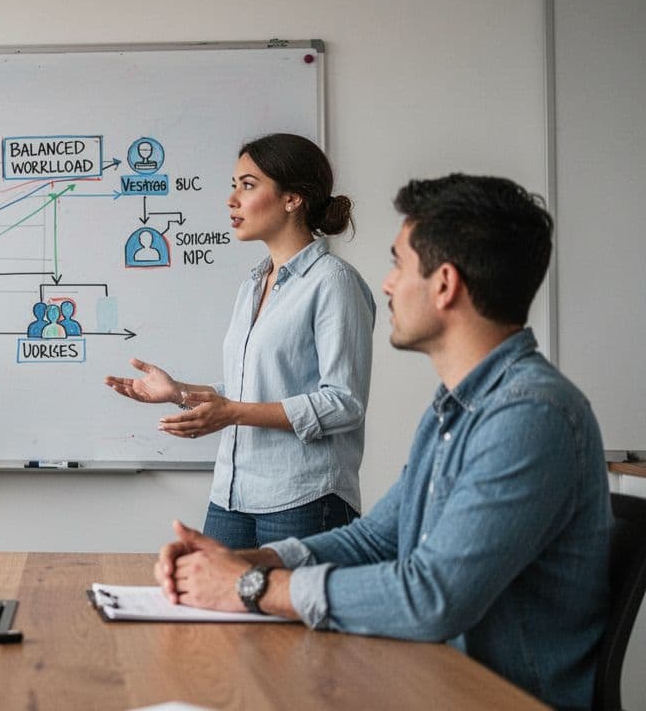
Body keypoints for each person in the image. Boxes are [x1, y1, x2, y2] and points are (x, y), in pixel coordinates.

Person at [154, 174, 610, 709]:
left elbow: (430, 596)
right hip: (428, 681)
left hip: (488, 698)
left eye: (398, 263)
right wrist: (252, 562)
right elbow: (374, 541)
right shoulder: (458, 408)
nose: (388, 284)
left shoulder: (530, 416)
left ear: (444, 284)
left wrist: (248, 589)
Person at [105, 133, 375, 546]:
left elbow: (343, 403)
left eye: (247, 186)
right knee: (213, 608)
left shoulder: (333, 283)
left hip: (304, 497)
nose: (232, 200)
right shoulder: (253, 284)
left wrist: (231, 412)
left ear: (293, 198)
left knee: (290, 612)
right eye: (234, 186)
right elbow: (253, 391)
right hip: (233, 495)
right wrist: (180, 392)